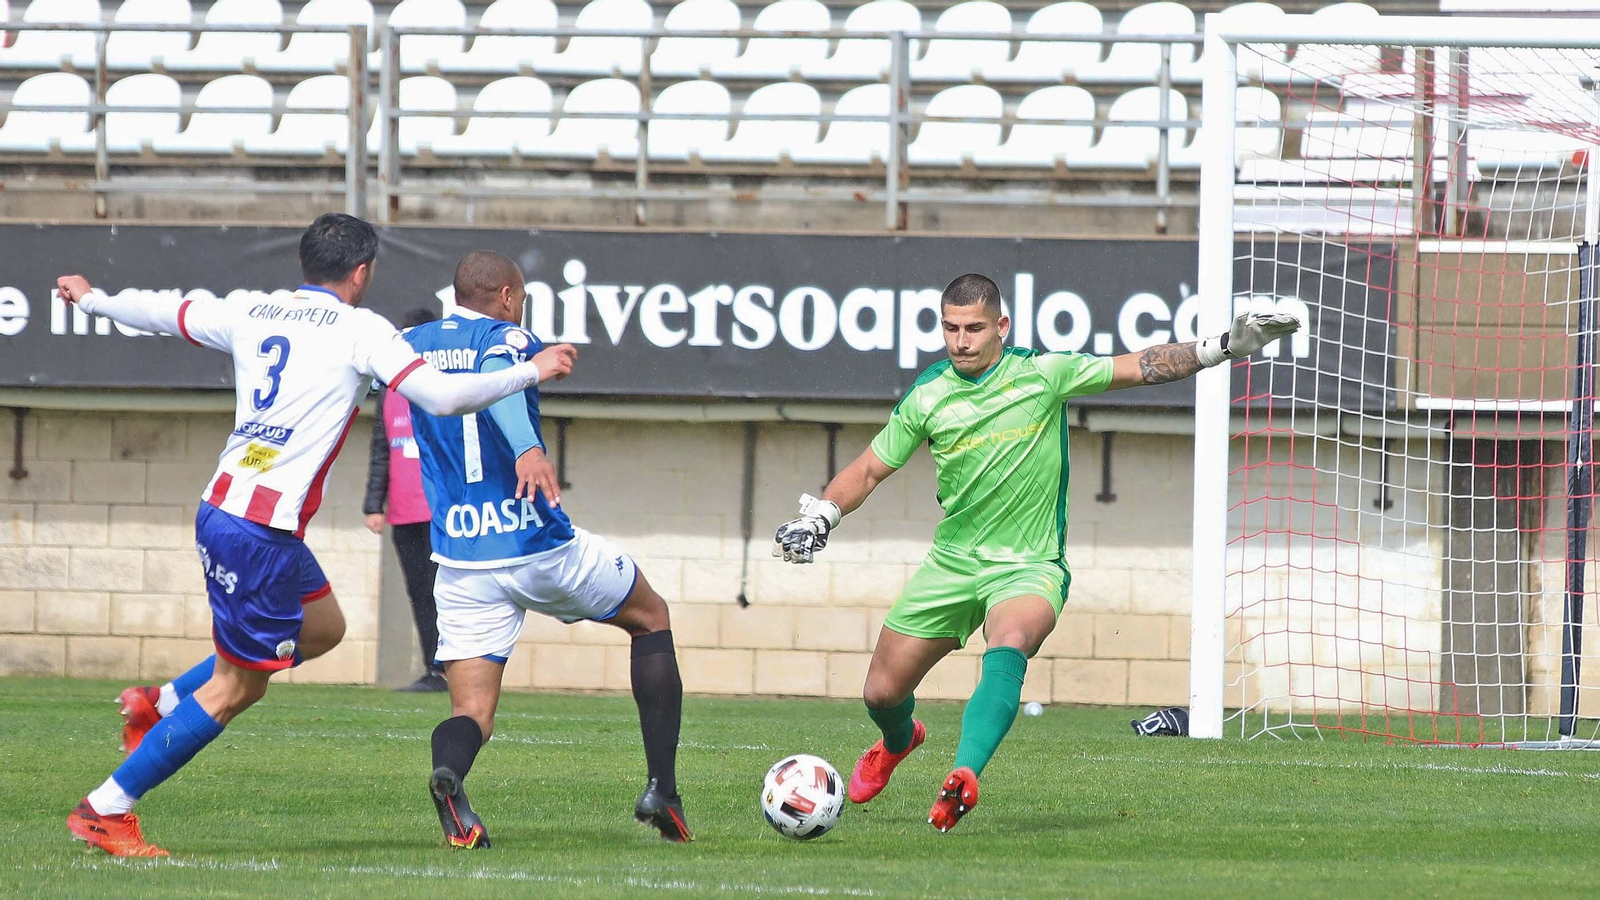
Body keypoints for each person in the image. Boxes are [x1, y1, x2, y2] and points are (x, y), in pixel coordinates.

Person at [62, 213, 576, 858]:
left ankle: (157, 702)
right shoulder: (363, 330)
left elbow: (169, 310)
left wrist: (94, 298)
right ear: (362, 272)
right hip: (259, 530)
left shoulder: (256, 311)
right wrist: (532, 370)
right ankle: (106, 808)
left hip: (231, 508)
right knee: (238, 687)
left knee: (322, 628)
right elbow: (442, 397)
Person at [773, 273, 1300, 832]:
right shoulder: (928, 395)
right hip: (952, 564)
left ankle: (963, 776)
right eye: (950, 328)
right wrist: (821, 515)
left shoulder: (1042, 374)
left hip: (1029, 565)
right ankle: (899, 741)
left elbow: (1137, 365)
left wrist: (1225, 347)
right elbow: (870, 468)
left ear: (1001, 326)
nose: (961, 341)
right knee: (881, 692)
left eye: (974, 328)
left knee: (1010, 642)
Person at [405, 250, 691, 848]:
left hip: (461, 561)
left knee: (473, 715)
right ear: (507, 295)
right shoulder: (508, 335)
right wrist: (527, 449)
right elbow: (504, 381)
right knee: (651, 615)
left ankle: (451, 780)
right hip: (535, 544)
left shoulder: (410, 342)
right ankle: (663, 788)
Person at [365, 307, 448, 693]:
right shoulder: (389, 388)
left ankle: (451, 670)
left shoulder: (444, 385)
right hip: (403, 511)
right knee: (418, 591)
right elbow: (382, 446)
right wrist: (373, 504)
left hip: (439, 510)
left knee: (443, 592)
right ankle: (434, 670)